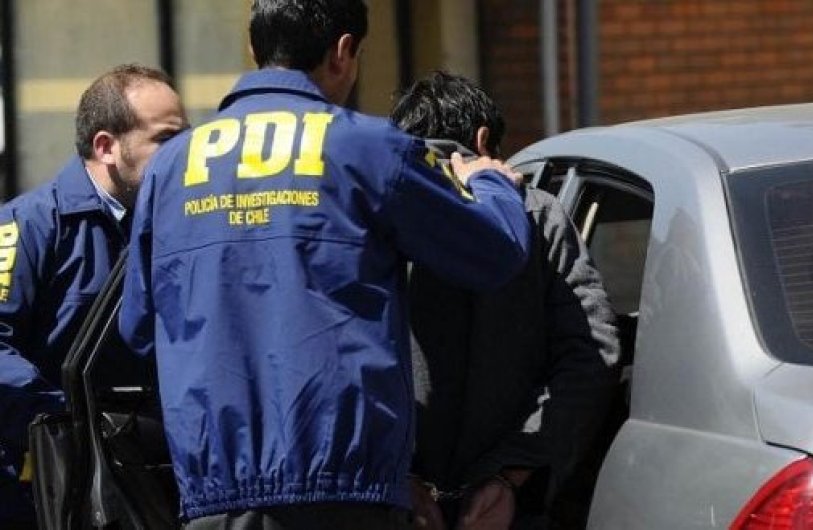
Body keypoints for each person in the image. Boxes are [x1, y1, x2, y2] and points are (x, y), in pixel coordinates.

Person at [117, 1, 532, 529]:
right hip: (342, 485)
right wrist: (490, 181)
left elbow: (139, 328)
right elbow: (495, 253)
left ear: (254, 46)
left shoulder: (171, 167)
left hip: (216, 490)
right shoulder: (369, 147)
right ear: (342, 51)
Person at [390, 71, 621, 530]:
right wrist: (512, 472)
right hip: (509, 507)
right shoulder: (538, 214)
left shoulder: (374, 213)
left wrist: (398, 478)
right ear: (483, 141)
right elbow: (593, 354)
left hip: (398, 504)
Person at [0, 63, 187, 528]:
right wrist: (68, 421)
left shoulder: (182, 225)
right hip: (46, 486)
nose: (184, 153)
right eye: (166, 139)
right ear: (106, 147)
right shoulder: (30, 225)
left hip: (154, 476)